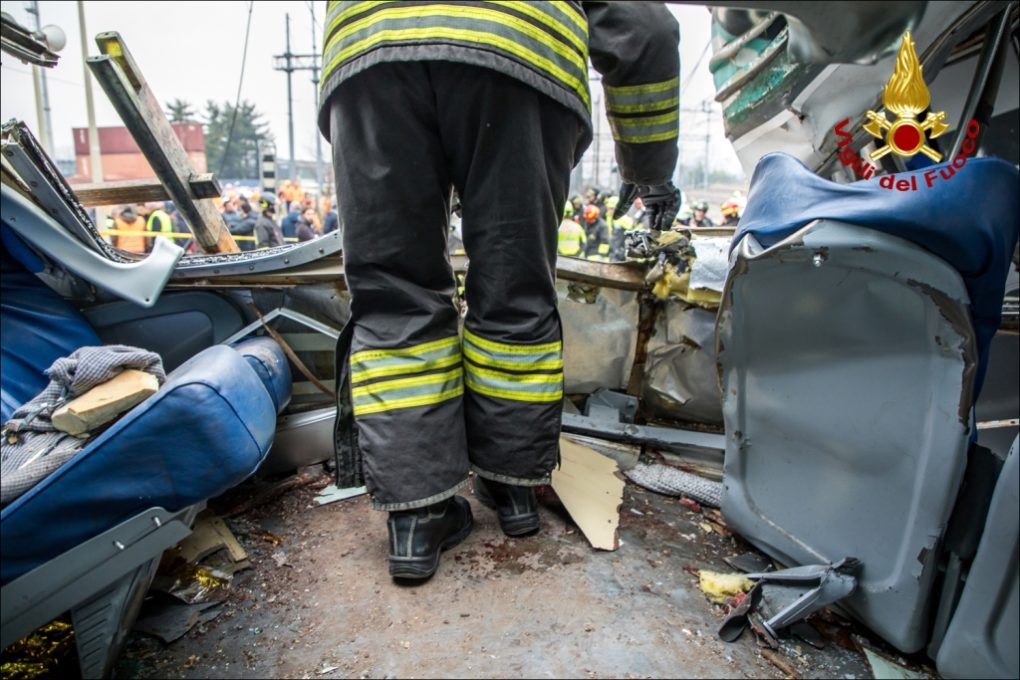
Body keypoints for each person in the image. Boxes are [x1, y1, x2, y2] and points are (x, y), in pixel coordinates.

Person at [319, 1, 680, 581]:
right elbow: (646, 28)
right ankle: (513, 490)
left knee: (395, 296)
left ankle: (414, 522)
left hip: (370, 52)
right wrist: (648, 165)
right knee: (516, 292)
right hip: (519, 52)